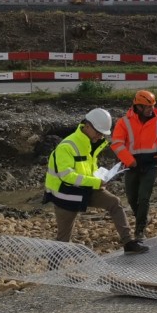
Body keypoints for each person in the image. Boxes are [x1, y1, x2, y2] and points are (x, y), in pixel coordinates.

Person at [43, 107, 149, 254]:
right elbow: (67, 176)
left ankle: (128, 242)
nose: (100, 137)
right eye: (98, 132)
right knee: (63, 240)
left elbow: (86, 169)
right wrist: (95, 182)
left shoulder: (90, 144)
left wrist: (100, 177)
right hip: (65, 194)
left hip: (85, 188)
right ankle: (53, 269)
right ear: (87, 126)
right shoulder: (67, 146)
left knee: (114, 203)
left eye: (102, 134)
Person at [110, 89, 157, 243]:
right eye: (148, 107)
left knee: (144, 198)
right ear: (138, 107)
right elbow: (117, 144)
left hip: (150, 165)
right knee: (131, 198)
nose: (151, 110)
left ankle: (140, 229)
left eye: (152, 106)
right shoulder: (124, 122)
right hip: (131, 165)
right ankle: (142, 217)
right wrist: (130, 161)